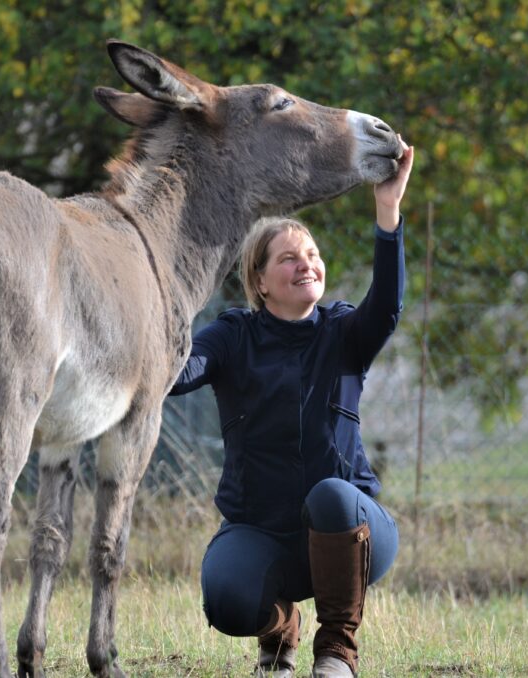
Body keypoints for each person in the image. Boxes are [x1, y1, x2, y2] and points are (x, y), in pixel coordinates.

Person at [168, 138, 415, 678]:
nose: (306, 264)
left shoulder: (344, 332)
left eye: (312, 255)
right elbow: (181, 371)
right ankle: (278, 637)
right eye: (288, 258)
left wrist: (388, 208)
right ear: (259, 281)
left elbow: (389, 304)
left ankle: (335, 653)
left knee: (330, 494)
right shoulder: (233, 335)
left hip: (352, 532)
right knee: (226, 597)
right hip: (261, 533)